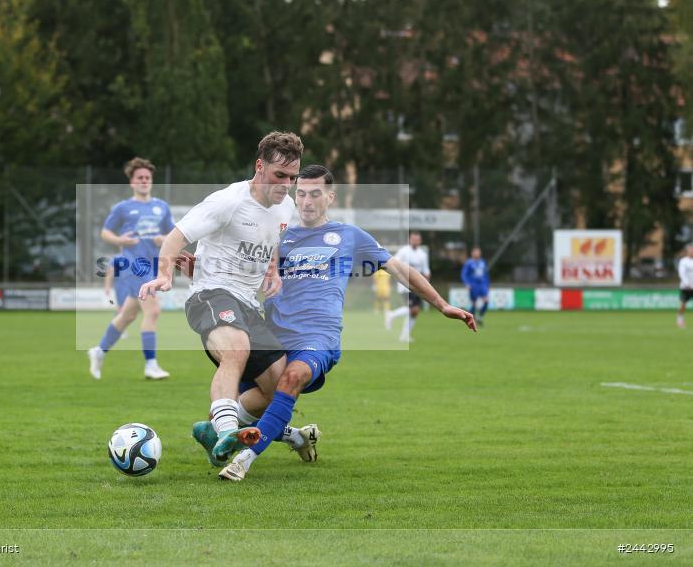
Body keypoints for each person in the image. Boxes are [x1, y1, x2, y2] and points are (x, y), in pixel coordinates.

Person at [215, 165, 476, 481]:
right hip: (273, 335)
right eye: (301, 194)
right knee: (248, 408)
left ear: (330, 197)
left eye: (315, 194)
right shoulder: (279, 236)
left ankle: (244, 460)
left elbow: (399, 270)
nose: (306, 202)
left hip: (318, 336)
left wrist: (442, 305)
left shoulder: (349, 236)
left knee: (292, 378)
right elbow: (242, 272)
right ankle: (298, 437)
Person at [139, 131, 301, 465]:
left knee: (278, 385)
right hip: (210, 294)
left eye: (292, 177)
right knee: (236, 349)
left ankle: (213, 432)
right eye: (280, 175)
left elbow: (274, 243)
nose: (286, 184)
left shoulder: (287, 207)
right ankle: (228, 431)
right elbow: (176, 237)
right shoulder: (227, 201)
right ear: (259, 166)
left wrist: (273, 272)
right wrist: (165, 274)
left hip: (249, 304)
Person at [88, 158, 173, 381]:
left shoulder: (161, 207)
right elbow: (105, 232)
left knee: (128, 315)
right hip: (133, 264)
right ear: (132, 182)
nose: (144, 181)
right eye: (140, 178)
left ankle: (99, 351)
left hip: (153, 265)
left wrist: (162, 238)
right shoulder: (122, 208)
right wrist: (120, 240)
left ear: (151, 181)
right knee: (153, 311)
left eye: (147, 177)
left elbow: (172, 234)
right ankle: (151, 365)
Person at [384, 232, 431, 342]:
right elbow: (393, 263)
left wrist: (426, 284)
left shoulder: (422, 255)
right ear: (410, 240)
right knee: (413, 309)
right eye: (413, 239)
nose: (415, 241)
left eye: (417, 239)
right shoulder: (403, 251)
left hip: (417, 285)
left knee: (415, 312)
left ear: (420, 241)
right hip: (404, 285)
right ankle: (391, 315)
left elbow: (426, 270)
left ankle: (404, 335)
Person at [461, 246, 490, 326]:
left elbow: (486, 274)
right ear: (472, 253)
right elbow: (464, 274)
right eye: (475, 252)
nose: (477, 253)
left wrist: (487, 284)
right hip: (473, 285)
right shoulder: (469, 263)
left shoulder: (482, 262)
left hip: (482, 285)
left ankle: (480, 317)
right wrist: (466, 283)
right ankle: (469, 319)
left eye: (478, 252)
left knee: (486, 301)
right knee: (474, 303)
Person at [678, 244, 693, 328]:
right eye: (690, 250)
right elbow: (682, 273)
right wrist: (688, 284)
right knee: (683, 304)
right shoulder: (683, 261)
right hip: (686, 287)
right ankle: (680, 320)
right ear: (687, 251)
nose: (692, 252)